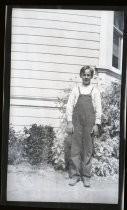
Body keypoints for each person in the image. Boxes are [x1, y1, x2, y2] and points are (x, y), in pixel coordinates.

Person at [66, 65, 102, 187]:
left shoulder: (95, 91)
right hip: (76, 122)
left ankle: (86, 176)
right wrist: (70, 122)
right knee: (75, 148)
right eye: (84, 74)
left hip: (89, 123)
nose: (86, 77)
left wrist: (97, 124)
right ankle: (75, 175)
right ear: (81, 75)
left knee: (87, 149)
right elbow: (70, 106)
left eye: (88, 75)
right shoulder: (76, 90)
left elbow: (98, 109)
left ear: (91, 76)